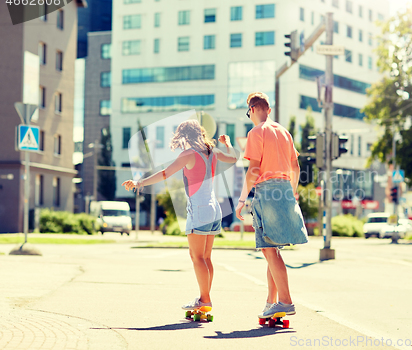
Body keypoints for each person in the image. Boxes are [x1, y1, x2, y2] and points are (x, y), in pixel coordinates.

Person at [122, 119, 237, 310]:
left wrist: (139, 183)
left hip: (199, 210)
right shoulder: (213, 152)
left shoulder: (189, 154)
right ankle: (204, 298)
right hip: (214, 209)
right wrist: (228, 144)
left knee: (196, 257)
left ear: (185, 137)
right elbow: (233, 158)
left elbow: (165, 174)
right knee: (206, 257)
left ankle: (205, 300)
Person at [235, 92, 306, 319]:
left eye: (249, 113)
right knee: (271, 249)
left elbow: (254, 169)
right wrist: (292, 191)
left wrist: (241, 198)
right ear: (269, 109)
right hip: (285, 189)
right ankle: (271, 302)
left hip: (267, 191)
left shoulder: (256, 132)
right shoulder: (284, 132)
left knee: (268, 249)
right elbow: (295, 167)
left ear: (253, 109)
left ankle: (285, 301)